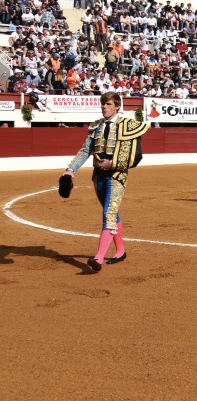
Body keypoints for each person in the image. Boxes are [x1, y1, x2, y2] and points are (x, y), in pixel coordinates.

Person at [63, 91, 150, 273]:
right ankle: (120, 251)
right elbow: (85, 151)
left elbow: (137, 155)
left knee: (108, 214)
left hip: (117, 176)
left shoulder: (128, 125)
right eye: (103, 104)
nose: (104, 107)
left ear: (117, 106)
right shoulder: (96, 127)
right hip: (99, 177)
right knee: (112, 213)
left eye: (108, 104)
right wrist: (70, 170)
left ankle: (98, 258)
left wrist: (113, 163)